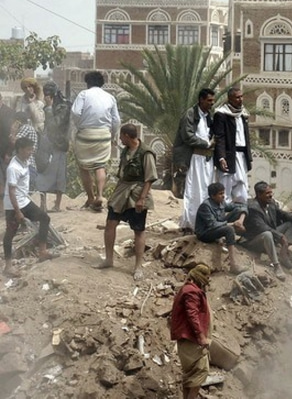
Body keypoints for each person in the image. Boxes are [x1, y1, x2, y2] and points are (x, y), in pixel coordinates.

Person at [97, 124, 157, 281]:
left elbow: (149, 178)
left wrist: (142, 198)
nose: (120, 139)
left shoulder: (146, 153)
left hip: (137, 193)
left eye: (121, 136)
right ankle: (109, 259)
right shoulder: (125, 151)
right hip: (122, 191)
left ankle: (138, 267)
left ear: (127, 136)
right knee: (110, 223)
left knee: (138, 230)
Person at [4, 137, 54, 277]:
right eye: (28, 149)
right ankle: (8, 267)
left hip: (24, 201)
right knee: (10, 233)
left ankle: (42, 251)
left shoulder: (24, 161)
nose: (31, 152)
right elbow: (11, 192)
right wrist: (18, 212)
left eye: (32, 149)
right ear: (20, 149)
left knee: (44, 218)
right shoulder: (13, 168)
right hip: (13, 205)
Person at [71, 70, 120, 212]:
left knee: (83, 167)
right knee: (100, 166)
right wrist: (113, 135)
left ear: (87, 83)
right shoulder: (110, 97)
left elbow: (75, 112)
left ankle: (90, 197)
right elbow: (116, 120)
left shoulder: (83, 94)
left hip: (85, 134)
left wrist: (80, 125)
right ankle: (100, 195)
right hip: (104, 135)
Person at [242, 181, 292, 280]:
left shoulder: (270, 203)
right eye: (267, 193)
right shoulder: (253, 207)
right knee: (267, 234)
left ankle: (284, 253)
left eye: (271, 192)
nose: (271, 195)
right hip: (254, 240)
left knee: (291, 223)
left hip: (271, 235)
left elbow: (283, 214)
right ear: (259, 194)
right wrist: (280, 236)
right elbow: (262, 227)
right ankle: (276, 265)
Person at [174, 88, 215, 231]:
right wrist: (206, 144)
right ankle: (190, 224)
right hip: (194, 159)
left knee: (205, 191)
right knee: (193, 192)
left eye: (213, 100)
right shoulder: (190, 114)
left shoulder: (208, 116)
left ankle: (204, 222)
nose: (212, 103)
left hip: (207, 160)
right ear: (201, 100)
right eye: (209, 100)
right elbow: (187, 136)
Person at [170, 263, 212, 399]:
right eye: (207, 277)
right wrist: (201, 337)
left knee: (190, 376)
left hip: (188, 339)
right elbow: (192, 315)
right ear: (201, 276)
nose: (208, 281)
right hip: (191, 339)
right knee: (200, 372)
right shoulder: (192, 291)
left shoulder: (187, 289)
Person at [194, 182, 248, 274]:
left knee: (238, 210)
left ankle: (238, 239)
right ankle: (233, 265)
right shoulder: (206, 206)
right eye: (220, 194)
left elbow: (242, 206)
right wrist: (233, 224)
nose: (223, 196)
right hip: (205, 233)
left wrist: (240, 221)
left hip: (218, 227)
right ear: (212, 196)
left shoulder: (221, 203)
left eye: (223, 193)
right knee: (229, 229)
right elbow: (212, 224)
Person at [212, 87, 251, 205]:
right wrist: (221, 157)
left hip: (241, 155)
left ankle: (240, 212)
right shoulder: (221, 114)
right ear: (230, 99)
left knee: (242, 186)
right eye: (237, 97)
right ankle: (223, 211)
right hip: (229, 156)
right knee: (226, 185)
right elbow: (219, 137)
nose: (240, 99)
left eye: (241, 96)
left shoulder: (243, 114)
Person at [36, 82, 71, 213]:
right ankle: (43, 205)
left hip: (59, 144)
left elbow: (55, 124)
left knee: (59, 174)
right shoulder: (46, 107)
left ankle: (57, 205)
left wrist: (50, 108)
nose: (46, 96)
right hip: (46, 144)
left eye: (48, 94)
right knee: (43, 172)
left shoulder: (63, 107)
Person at [12, 112, 38, 192]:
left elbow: (14, 141)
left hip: (27, 165)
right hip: (27, 165)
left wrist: (13, 131)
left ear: (18, 121)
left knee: (23, 193)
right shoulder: (29, 128)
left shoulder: (26, 128)